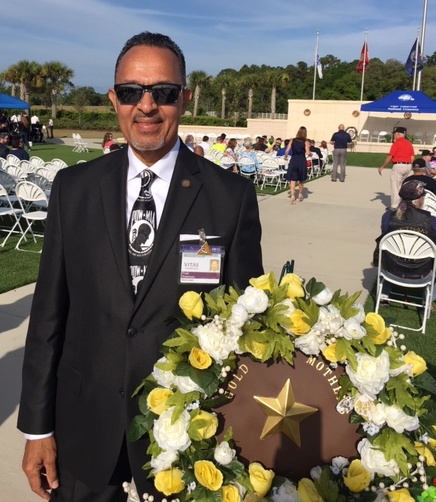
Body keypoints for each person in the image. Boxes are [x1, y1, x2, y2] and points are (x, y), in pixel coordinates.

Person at [18, 31, 263, 502]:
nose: (147, 106)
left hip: (185, 435)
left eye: (163, 93)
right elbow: (48, 316)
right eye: (132, 92)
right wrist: (35, 427)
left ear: (184, 99)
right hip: (84, 427)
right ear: (114, 99)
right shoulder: (75, 189)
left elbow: (243, 326)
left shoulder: (230, 199)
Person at [379, 179, 436, 287]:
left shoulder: (388, 216)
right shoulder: (431, 221)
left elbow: (384, 237)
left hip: (392, 268)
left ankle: (385, 293)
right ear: (419, 200)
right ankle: (429, 298)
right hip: (422, 271)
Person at [378, 126, 414, 210]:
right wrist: (410, 166)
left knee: (395, 186)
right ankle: (402, 203)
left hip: (399, 165)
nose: (394, 135)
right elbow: (412, 157)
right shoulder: (409, 143)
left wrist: (382, 166)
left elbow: (390, 156)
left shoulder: (396, 143)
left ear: (398, 134)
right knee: (402, 185)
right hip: (408, 165)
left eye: (395, 134)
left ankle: (395, 206)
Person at [285, 126, 311, 204]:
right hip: (301, 160)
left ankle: (292, 195)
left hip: (294, 160)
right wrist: (310, 154)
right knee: (301, 179)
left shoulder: (292, 140)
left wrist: (286, 156)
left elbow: (287, 150)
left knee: (293, 179)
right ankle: (300, 194)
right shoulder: (306, 142)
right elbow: (307, 152)